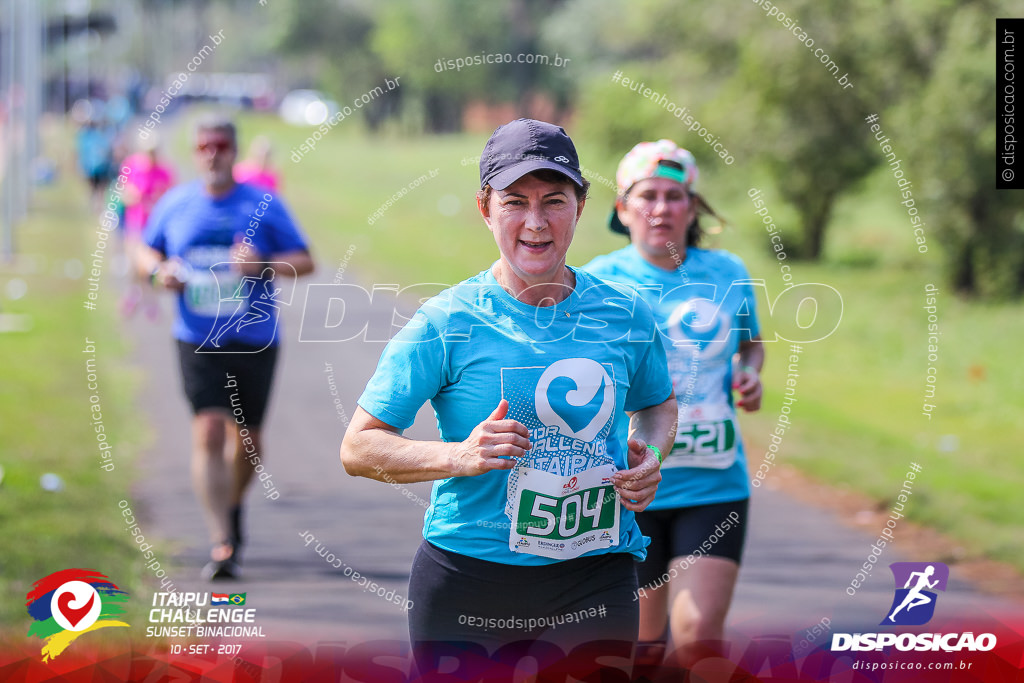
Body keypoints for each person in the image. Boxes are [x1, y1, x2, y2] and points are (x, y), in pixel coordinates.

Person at [340, 119, 678, 669]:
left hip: (597, 573)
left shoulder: (624, 313)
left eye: (554, 200)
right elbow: (358, 447)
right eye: (515, 201)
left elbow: (658, 403)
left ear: (582, 206)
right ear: (485, 209)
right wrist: (459, 456)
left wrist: (652, 455)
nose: (536, 222)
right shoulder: (447, 322)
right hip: (469, 579)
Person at [583, 140, 764, 668]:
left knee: (699, 632)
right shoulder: (598, 282)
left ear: (692, 207)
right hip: (628, 485)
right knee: (640, 648)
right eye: (647, 196)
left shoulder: (727, 273)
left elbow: (751, 342)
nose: (661, 208)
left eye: (674, 196)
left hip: (712, 480)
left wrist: (748, 374)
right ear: (623, 209)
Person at [137, 116, 314, 579]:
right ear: (194, 153)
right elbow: (143, 252)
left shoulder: (263, 204)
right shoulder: (175, 204)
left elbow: (306, 260)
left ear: (234, 152)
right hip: (197, 338)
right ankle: (221, 540)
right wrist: (159, 274)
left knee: (249, 441)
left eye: (220, 145)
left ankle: (232, 505)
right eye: (203, 146)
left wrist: (265, 263)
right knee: (209, 430)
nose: (212, 153)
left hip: (254, 339)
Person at [120, 135, 176, 318]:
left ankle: (150, 302)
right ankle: (133, 295)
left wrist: (158, 200)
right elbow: (123, 195)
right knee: (134, 266)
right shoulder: (131, 166)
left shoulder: (164, 170)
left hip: (154, 228)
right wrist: (136, 197)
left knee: (152, 267)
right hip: (135, 225)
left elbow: (172, 197)